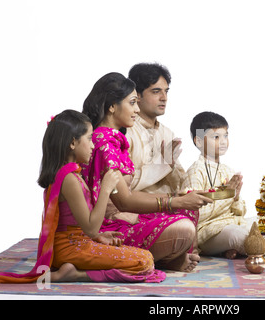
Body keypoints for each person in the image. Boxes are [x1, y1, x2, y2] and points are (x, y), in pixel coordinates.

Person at [0, 110, 165, 284]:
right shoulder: (69, 179)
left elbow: (84, 227)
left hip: (76, 244)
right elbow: (90, 227)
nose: (93, 146)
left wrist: (98, 236)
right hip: (70, 249)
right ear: (73, 143)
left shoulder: (71, 174)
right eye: (90, 138)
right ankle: (75, 275)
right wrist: (105, 189)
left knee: (144, 257)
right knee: (143, 262)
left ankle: (75, 268)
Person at [81, 72, 213, 272]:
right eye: (133, 103)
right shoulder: (104, 143)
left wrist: (179, 197)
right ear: (112, 106)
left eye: (166, 92)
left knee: (188, 210)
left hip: (128, 214)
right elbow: (124, 200)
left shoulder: (117, 140)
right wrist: (173, 201)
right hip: (108, 226)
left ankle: (165, 258)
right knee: (184, 227)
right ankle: (163, 260)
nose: (136, 109)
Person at [181, 112, 248, 259]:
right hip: (208, 231)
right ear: (198, 141)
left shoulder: (228, 170)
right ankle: (234, 247)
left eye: (226, 136)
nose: (223, 141)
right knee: (239, 236)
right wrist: (228, 197)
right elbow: (194, 216)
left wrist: (235, 198)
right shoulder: (195, 171)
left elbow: (240, 212)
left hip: (232, 222)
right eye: (216, 137)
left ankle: (228, 250)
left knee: (264, 225)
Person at [125, 62, 185, 194]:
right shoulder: (125, 132)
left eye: (166, 91)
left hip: (170, 207)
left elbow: (181, 185)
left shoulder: (167, 134)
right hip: (137, 210)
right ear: (137, 95)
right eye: (156, 91)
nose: (164, 98)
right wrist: (161, 165)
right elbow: (121, 189)